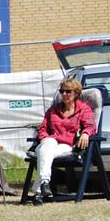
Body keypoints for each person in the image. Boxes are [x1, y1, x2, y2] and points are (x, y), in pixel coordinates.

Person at [32, 77, 95, 205]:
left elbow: (90, 126)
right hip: (50, 142)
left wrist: (86, 133)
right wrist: (44, 137)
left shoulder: (83, 109)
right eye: (62, 91)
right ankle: (44, 183)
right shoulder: (53, 110)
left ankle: (39, 191)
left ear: (76, 93)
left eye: (68, 91)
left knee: (43, 154)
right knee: (47, 146)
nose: (64, 94)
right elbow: (43, 128)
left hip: (68, 145)